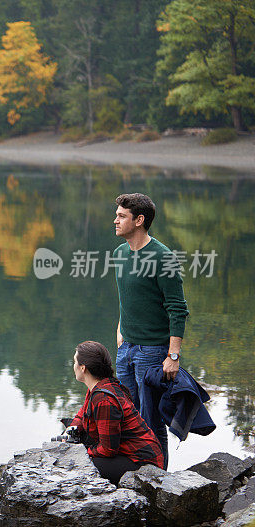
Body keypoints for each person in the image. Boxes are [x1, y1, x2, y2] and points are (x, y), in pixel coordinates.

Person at [113, 193, 189, 469]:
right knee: (127, 416)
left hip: (153, 351)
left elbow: (178, 308)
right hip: (127, 349)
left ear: (139, 220)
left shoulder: (163, 257)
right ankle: (135, 472)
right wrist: (120, 330)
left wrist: (174, 355)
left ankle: (158, 481)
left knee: (151, 420)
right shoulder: (119, 253)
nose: (116, 220)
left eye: (122, 216)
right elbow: (126, 297)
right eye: (118, 214)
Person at [67, 341, 164, 485]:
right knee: (74, 441)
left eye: (75, 362)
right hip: (130, 454)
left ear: (83, 368)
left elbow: (108, 450)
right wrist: (70, 430)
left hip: (142, 463)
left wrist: (83, 450)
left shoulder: (103, 399)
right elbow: (82, 413)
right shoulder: (101, 385)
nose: (73, 366)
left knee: (79, 465)